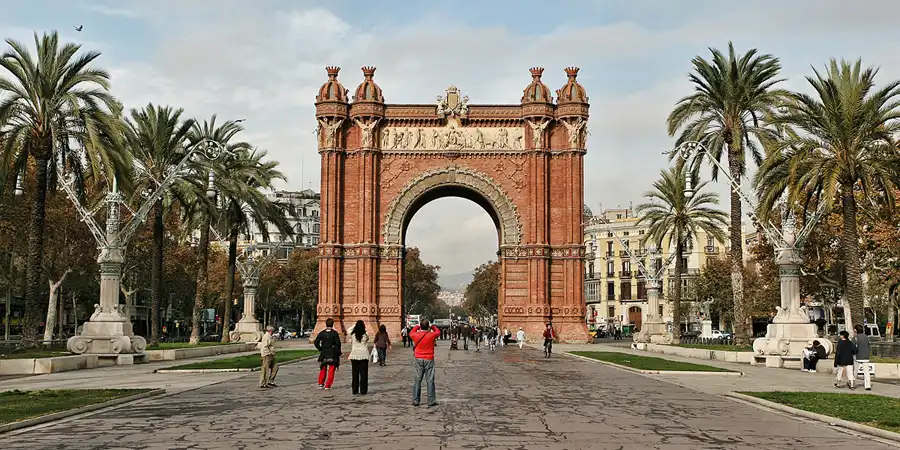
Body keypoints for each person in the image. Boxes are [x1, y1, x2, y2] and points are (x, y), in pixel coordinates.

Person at [409, 319, 441, 407]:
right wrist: (432, 326)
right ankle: (431, 400)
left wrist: (418, 326)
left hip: (418, 358)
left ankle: (416, 400)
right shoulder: (431, 335)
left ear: (421, 326)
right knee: (430, 380)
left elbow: (411, 332)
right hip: (429, 358)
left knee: (418, 380)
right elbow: (438, 331)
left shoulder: (415, 335)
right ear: (428, 326)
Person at [314, 318, 342, 390]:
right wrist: (338, 351)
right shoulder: (334, 333)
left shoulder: (322, 333)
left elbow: (316, 342)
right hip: (332, 353)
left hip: (324, 352)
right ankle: (328, 385)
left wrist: (320, 348)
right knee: (331, 370)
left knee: (323, 368)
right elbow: (338, 344)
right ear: (332, 324)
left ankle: (320, 383)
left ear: (326, 324)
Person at [348, 320, 371, 395]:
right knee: (364, 374)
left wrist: (355, 325)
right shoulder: (366, 335)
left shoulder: (353, 335)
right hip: (364, 355)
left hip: (354, 355)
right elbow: (367, 339)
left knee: (355, 374)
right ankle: (363, 390)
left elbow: (348, 330)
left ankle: (355, 390)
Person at [853, 324, 872, 391]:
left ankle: (852, 383)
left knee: (855, 371)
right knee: (866, 372)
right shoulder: (866, 337)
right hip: (866, 356)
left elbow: (853, 347)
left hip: (857, 356)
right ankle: (868, 385)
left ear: (855, 330)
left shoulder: (855, 337)